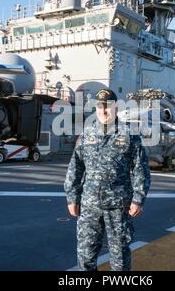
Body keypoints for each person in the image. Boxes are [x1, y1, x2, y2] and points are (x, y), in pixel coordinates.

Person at [64, 88, 151, 271]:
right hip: (89, 206)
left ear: (116, 107)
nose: (104, 110)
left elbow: (140, 169)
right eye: (100, 106)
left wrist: (138, 198)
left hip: (119, 206)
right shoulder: (86, 135)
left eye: (108, 106)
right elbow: (75, 167)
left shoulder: (130, 135)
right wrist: (72, 197)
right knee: (86, 255)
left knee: (119, 256)